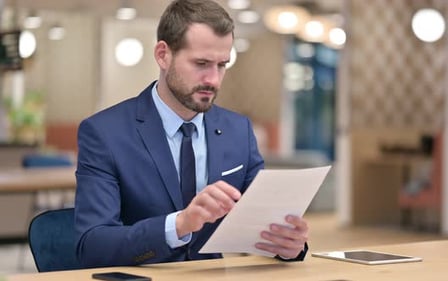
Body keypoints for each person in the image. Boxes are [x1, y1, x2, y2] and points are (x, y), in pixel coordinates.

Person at [75, 0, 308, 268]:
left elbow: (263, 225)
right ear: (163, 55)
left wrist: (288, 245)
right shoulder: (104, 133)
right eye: (201, 63)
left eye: (222, 65)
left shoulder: (238, 131)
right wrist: (180, 224)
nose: (214, 80)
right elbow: (91, 246)